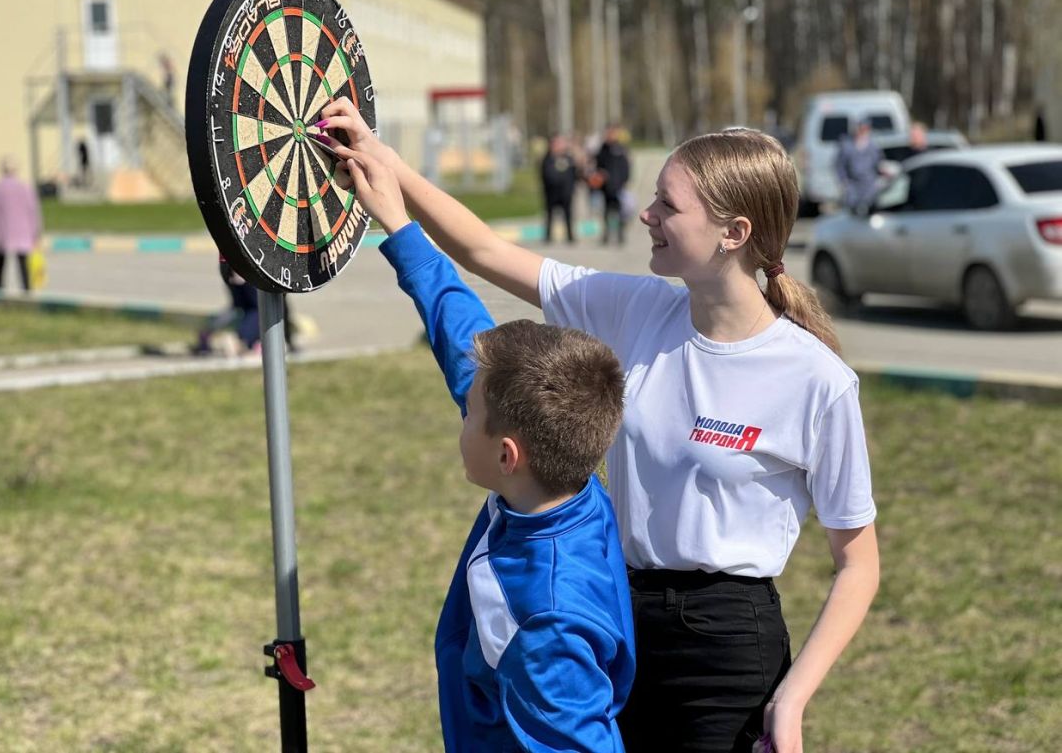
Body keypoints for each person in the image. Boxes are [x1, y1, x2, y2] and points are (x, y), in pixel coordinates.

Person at [316, 100, 880, 753]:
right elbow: (482, 249)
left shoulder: (817, 379)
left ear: (733, 231)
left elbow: (858, 563)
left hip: (727, 654)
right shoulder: (637, 308)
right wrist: (383, 164)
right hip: (619, 609)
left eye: (667, 205)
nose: (646, 215)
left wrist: (792, 700)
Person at [338, 145, 636, 752]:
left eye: (468, 412)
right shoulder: (568, 485)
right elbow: (463, 345)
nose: (460, 407)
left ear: (507, 455)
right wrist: (398, 226)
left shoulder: (541, 616)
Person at [0, 155, 43, 292]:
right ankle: (26, 290)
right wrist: (36, 233)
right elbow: (34, 211)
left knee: (0, 262)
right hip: (23, 231)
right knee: (23, 263)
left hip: (3, 231)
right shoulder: (25, 187)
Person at [834, 120, 884, 215]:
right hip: (853, 186)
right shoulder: (847, 146)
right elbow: (839, 165)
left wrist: (880, 179)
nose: (863, 132)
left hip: (869, 186)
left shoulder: (873, 147)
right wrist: (844, 181)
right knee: (852, 213)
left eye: (865, 129)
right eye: (861, 129)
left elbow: (879, 164)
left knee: (870, 211)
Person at [594, 124, 631, 245]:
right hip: (605, 187)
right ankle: (606, 235)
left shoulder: (620, 148)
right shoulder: (602, 149)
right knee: (606, 212)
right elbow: (598, 165)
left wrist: (625, 180)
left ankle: (620, 235)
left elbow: (626, 166)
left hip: (618, 186)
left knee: (621, 212)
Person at [540, 134, 578, 244]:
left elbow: (574, 174)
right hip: (551, 193)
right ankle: (547, 237)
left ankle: (570, 236)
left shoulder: (568, 158)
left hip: (566, 193)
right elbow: (546, 175)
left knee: (568, 215)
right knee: (550, 215)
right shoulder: (547, 159)